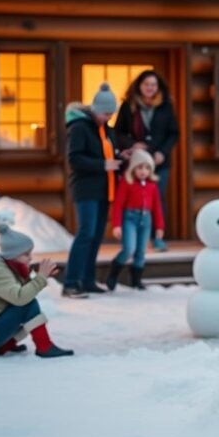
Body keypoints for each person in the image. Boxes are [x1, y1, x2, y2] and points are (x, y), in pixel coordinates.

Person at [0, 225, 73, 358]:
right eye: (26, 254)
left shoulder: (7, 269)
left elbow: (19, 292)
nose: (30, 258)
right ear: (12, 255)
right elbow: (21, 298)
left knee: (27, 309)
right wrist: (40, 278)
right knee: (28, 305)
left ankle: (2, 348)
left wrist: (41, 276)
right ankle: (45, 347)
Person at [62, 83, 121, 298]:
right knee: (85, 233)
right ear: (95, 109)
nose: (108, 118)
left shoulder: (105, 130)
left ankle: (87, 280)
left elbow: (109, 153)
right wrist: (102, 165)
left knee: (96, 235)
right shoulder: (79, 127)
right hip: (85, 188)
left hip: (105, 188)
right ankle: (70, 282)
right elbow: (74, 158)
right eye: (105, 113)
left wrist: (120, 157)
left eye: (111, 114)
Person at [114, 70, 179, 252]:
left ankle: (157, 238)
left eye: (153, 85)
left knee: (157, 198)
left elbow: (174, 133)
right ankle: (132, 239)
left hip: (159, 162)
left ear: (158, 88)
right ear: (139, 86)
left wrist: (163, 152)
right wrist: (133, 144)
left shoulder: (166, 106)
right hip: (137, 163)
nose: (150, 88)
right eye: (146, 84)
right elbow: (118, 132)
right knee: (133, 198)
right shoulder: (129, 106)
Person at [107, 149, 164, 291]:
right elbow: (118, 205)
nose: (143, 171)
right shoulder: (127, 183)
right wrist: (116, 225)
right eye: (139, 167)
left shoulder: (152, 186)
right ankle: (113, 273)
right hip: (130, 219)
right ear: (133, 168)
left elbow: (157, 208)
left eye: (146, 168)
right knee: (129, 249)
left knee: (141, 251)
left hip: (146, 220)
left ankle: (136, 280)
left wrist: (159, 227)